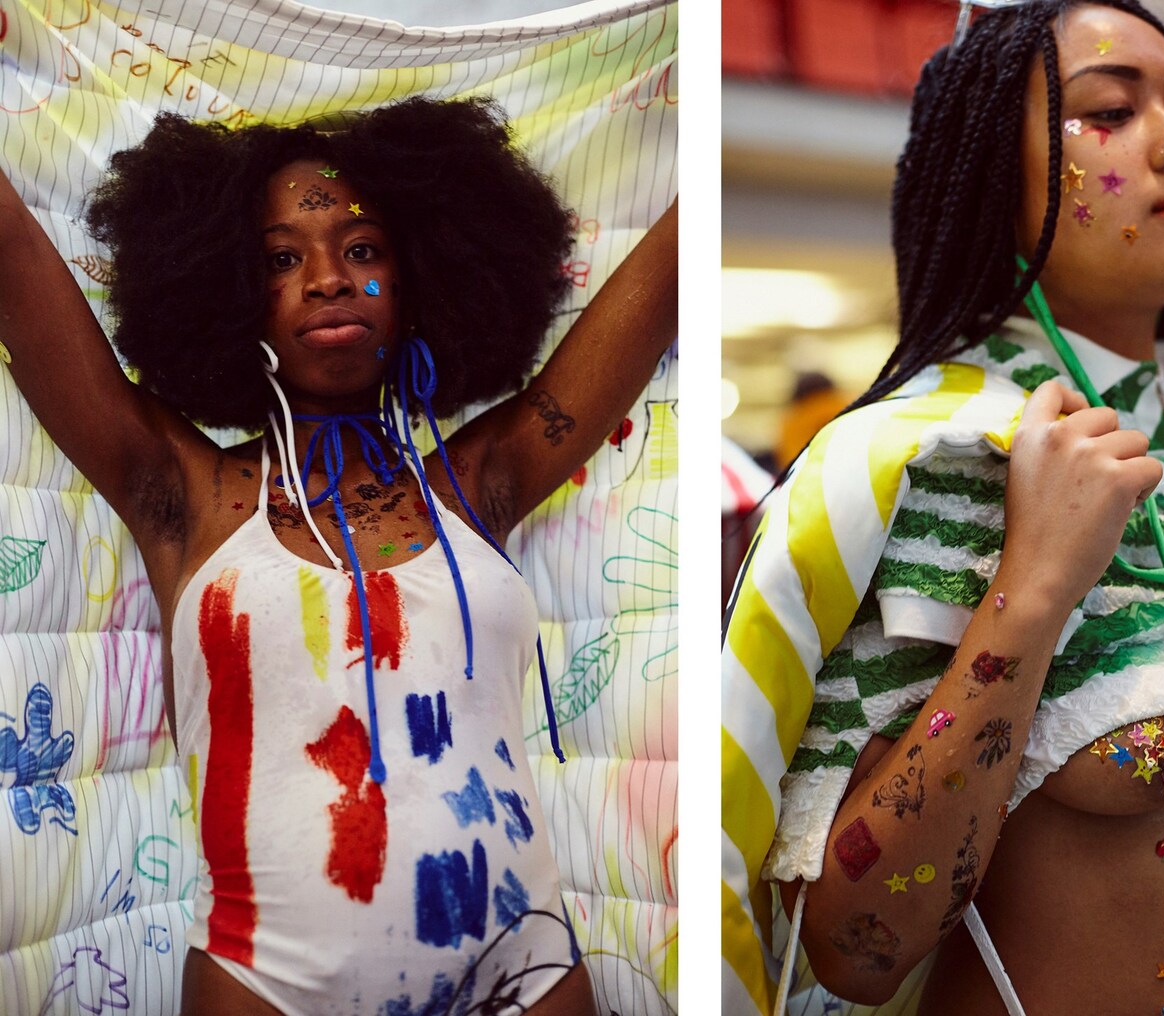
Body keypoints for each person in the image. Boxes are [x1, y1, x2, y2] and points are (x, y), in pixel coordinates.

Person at [720, 3, 1164, 1014]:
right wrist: (1031, 592)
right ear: (996, 179)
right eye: (1106, 111)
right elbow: (858, 945)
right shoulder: (919, 460)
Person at [0, 97, 676, 1015]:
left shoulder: (484, 481)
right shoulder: (182, 494)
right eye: (283, 258)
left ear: (416, 279)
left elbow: (676, 267)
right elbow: (8, 251)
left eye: (363, 250)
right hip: (265, 980)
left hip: (524, 969)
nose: (328, 278)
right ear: (233, 290)